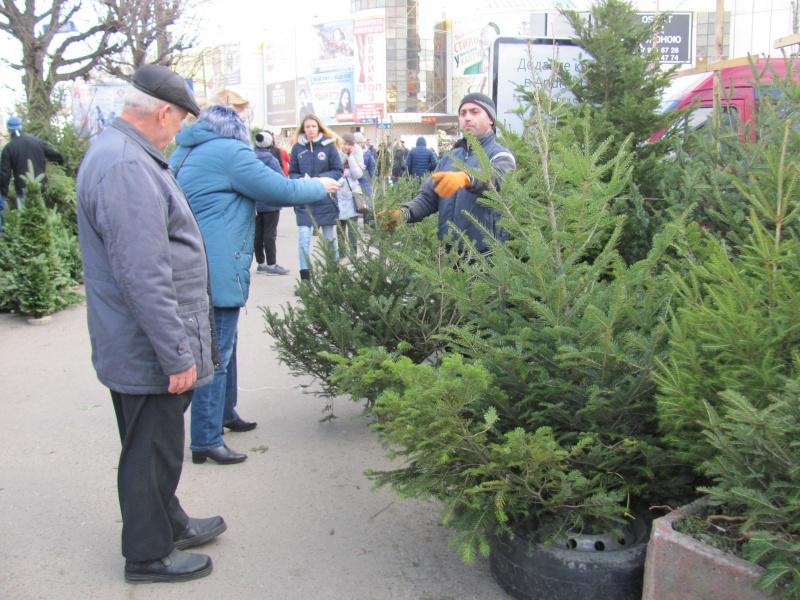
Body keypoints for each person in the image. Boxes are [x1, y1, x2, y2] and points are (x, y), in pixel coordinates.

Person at [76, 64, 224, 583]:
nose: (178, 131)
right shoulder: (124, 165)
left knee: (155, 446)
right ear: (163, 113)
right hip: (147, 347)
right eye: (180, 120)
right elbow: (143, 273)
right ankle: (147, 554)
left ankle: (169, 522)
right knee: (149, 451)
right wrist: (176, 353)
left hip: (142, 342)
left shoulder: (125, 154)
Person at [170, 105, 338, 466]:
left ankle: (224, 413)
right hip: (216, 268)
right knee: (217, 354)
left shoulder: (184, 151)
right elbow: (279, 189)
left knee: (221, 346)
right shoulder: (229, 152)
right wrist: (319, 186)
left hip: (192, 265)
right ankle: (205, 439)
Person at [381, 93, 516, 255]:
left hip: (486, 257)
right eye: (463, 113)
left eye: (474, 112)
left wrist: (468, 178)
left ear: (491, 119)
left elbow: (497, 178)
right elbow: (428, 198)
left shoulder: (500, 155)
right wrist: (404, 213)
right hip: (450, 256)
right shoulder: (450, 157)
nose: (467, 118)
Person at [289, 114, 343, 283]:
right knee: (304, 238)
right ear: (303, 129)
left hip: (325, 198)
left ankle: (334, 276)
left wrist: (319, 180)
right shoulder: (297, 148)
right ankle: (305, 279)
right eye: (307, 127)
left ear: (319, 127)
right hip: (305, 200)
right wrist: (302, 180)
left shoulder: (329, 145)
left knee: (330, 239)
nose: (311, 129)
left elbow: (338, 170)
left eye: (313, 126)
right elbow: (292, 173)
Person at [0, 116, 63, 208]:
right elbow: (55, 155)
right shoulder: (36, 141)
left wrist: (3, 194)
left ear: (9, 130)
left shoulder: (8, 148)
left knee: (25, 215)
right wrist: (62, 163)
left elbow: (5, 174)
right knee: (41, 213)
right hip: (40, 187)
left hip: (22, 189)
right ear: (20, 127)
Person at [253, 131, 290, 275]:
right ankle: (272, 264)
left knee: (258, 233)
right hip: (270, 201)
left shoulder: (250, 157)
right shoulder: (270, 159)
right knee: (270, 233)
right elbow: (281, 179)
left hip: (255, 201)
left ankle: (261, 263)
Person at [336, 132, 365, 254]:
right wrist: (343, 154)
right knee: (340, 227)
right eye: (345, 144)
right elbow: (336, 170)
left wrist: (350, 157)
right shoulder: (337, 152)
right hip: (338, 192)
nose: (347, 147)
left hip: (352, 194)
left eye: (349, 144)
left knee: (353, 227)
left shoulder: (357, 153)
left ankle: (353, 254)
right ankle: (342, 253)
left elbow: (357, 174)